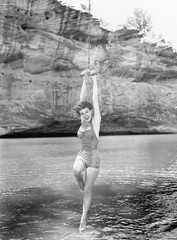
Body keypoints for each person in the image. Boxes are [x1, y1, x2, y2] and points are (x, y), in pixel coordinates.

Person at [73, 68, 101, 232]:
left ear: (91, 112)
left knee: (87, 192)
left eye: (87, 112)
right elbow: (82, 99)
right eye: (82, 113)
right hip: (82, 155)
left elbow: (93, 99)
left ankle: (83, 218)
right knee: (76, 170)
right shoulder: (82, 120)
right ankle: (80, 182)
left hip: (94, 160)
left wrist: (94, 78)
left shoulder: (95, 122)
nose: (85, 114)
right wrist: (84, 78)